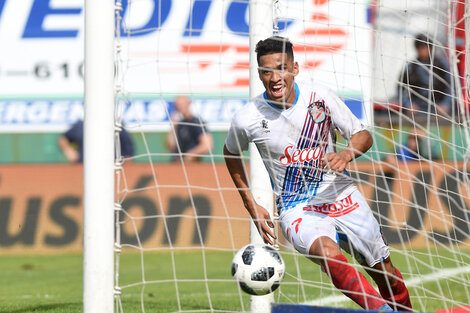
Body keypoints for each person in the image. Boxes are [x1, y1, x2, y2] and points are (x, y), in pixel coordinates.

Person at [223, 36, 412, 311]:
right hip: (297, 207)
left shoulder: (319, 96)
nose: (275, 78)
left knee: (385, 272)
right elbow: (230, 152)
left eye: (282, 68)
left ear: (295, 68)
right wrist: (250, 203)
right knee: (328, 254)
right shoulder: (247, 117)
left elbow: (362, 136)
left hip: (341, 194)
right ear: (259, 74)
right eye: (267, 71)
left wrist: (346, 154)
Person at [398, 33, 453, 117]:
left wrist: (446, 104)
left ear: (431, 48)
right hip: (418, 108)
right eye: (420, 48)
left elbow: (452, 86)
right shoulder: (411, 67)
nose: (423, 51)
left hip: (438, 107)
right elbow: (400, 88)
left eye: (425, 47)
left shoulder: (442, 64)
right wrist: (408, 105)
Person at [58, 120, 134, 163]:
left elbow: (128, 153)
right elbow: (63, 139)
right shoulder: (81, 125)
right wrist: (69, 151)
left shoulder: (116, 125)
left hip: (110, 168)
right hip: (83, 167)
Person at [166, 96, 213, 162]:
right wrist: (173, 127)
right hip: (177, 163)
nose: (180, 107)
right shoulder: (179, 124)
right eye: (178, 105)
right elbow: (171, 147)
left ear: (188, 104)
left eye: (182, 104)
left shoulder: (197, 122)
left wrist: (191, 155)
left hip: (192, 164)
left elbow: (207, 145)